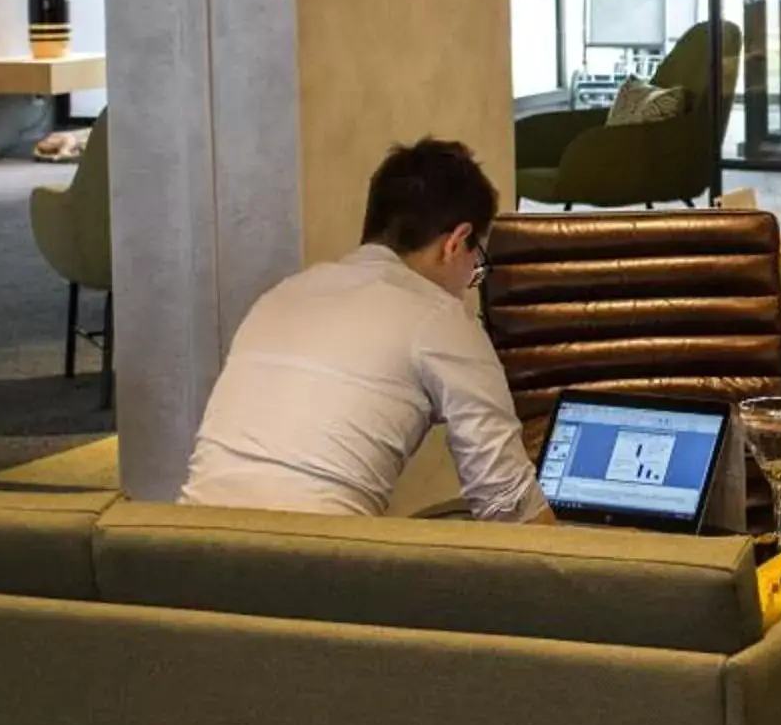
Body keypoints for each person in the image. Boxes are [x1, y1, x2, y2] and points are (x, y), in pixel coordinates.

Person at [180, 137, 549, 521]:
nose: (471, 280)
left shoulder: (282, 295)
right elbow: (509, 506)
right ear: (455, 243)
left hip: (183, 552)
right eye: (478, 261)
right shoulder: (438, 318)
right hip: (307, 562)